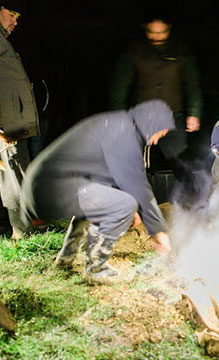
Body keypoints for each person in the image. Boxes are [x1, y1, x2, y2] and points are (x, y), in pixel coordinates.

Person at [21, 100, 174, 284]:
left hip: (45, 186)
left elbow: (112, 177)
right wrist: (158, 231)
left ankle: (65, 259)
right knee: (124, 204)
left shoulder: (118, 125)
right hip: (52, 189)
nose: (157, 140)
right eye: (160, 134)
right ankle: (96, 267)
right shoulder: (123, 132)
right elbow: (138, 185)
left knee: (100, 200)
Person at [109, 13, 203, 201]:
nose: (157, 37)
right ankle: (133, 204)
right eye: (153, 33)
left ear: (169, 30)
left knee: (180, 160)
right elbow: (119, 87)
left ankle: (193, 202)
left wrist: (194, 113)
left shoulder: (180, 51)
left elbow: (193, 84)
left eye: (162, 33)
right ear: (145, 30)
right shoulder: (135, 52)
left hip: (173, 115)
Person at [0, 0, 39, 239]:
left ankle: (17, 227)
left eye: (18, 16)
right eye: (11, 14)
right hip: (1, 124)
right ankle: (21, 231)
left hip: (6, 120)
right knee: (12, 172)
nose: (15, 21)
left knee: (10, 173)